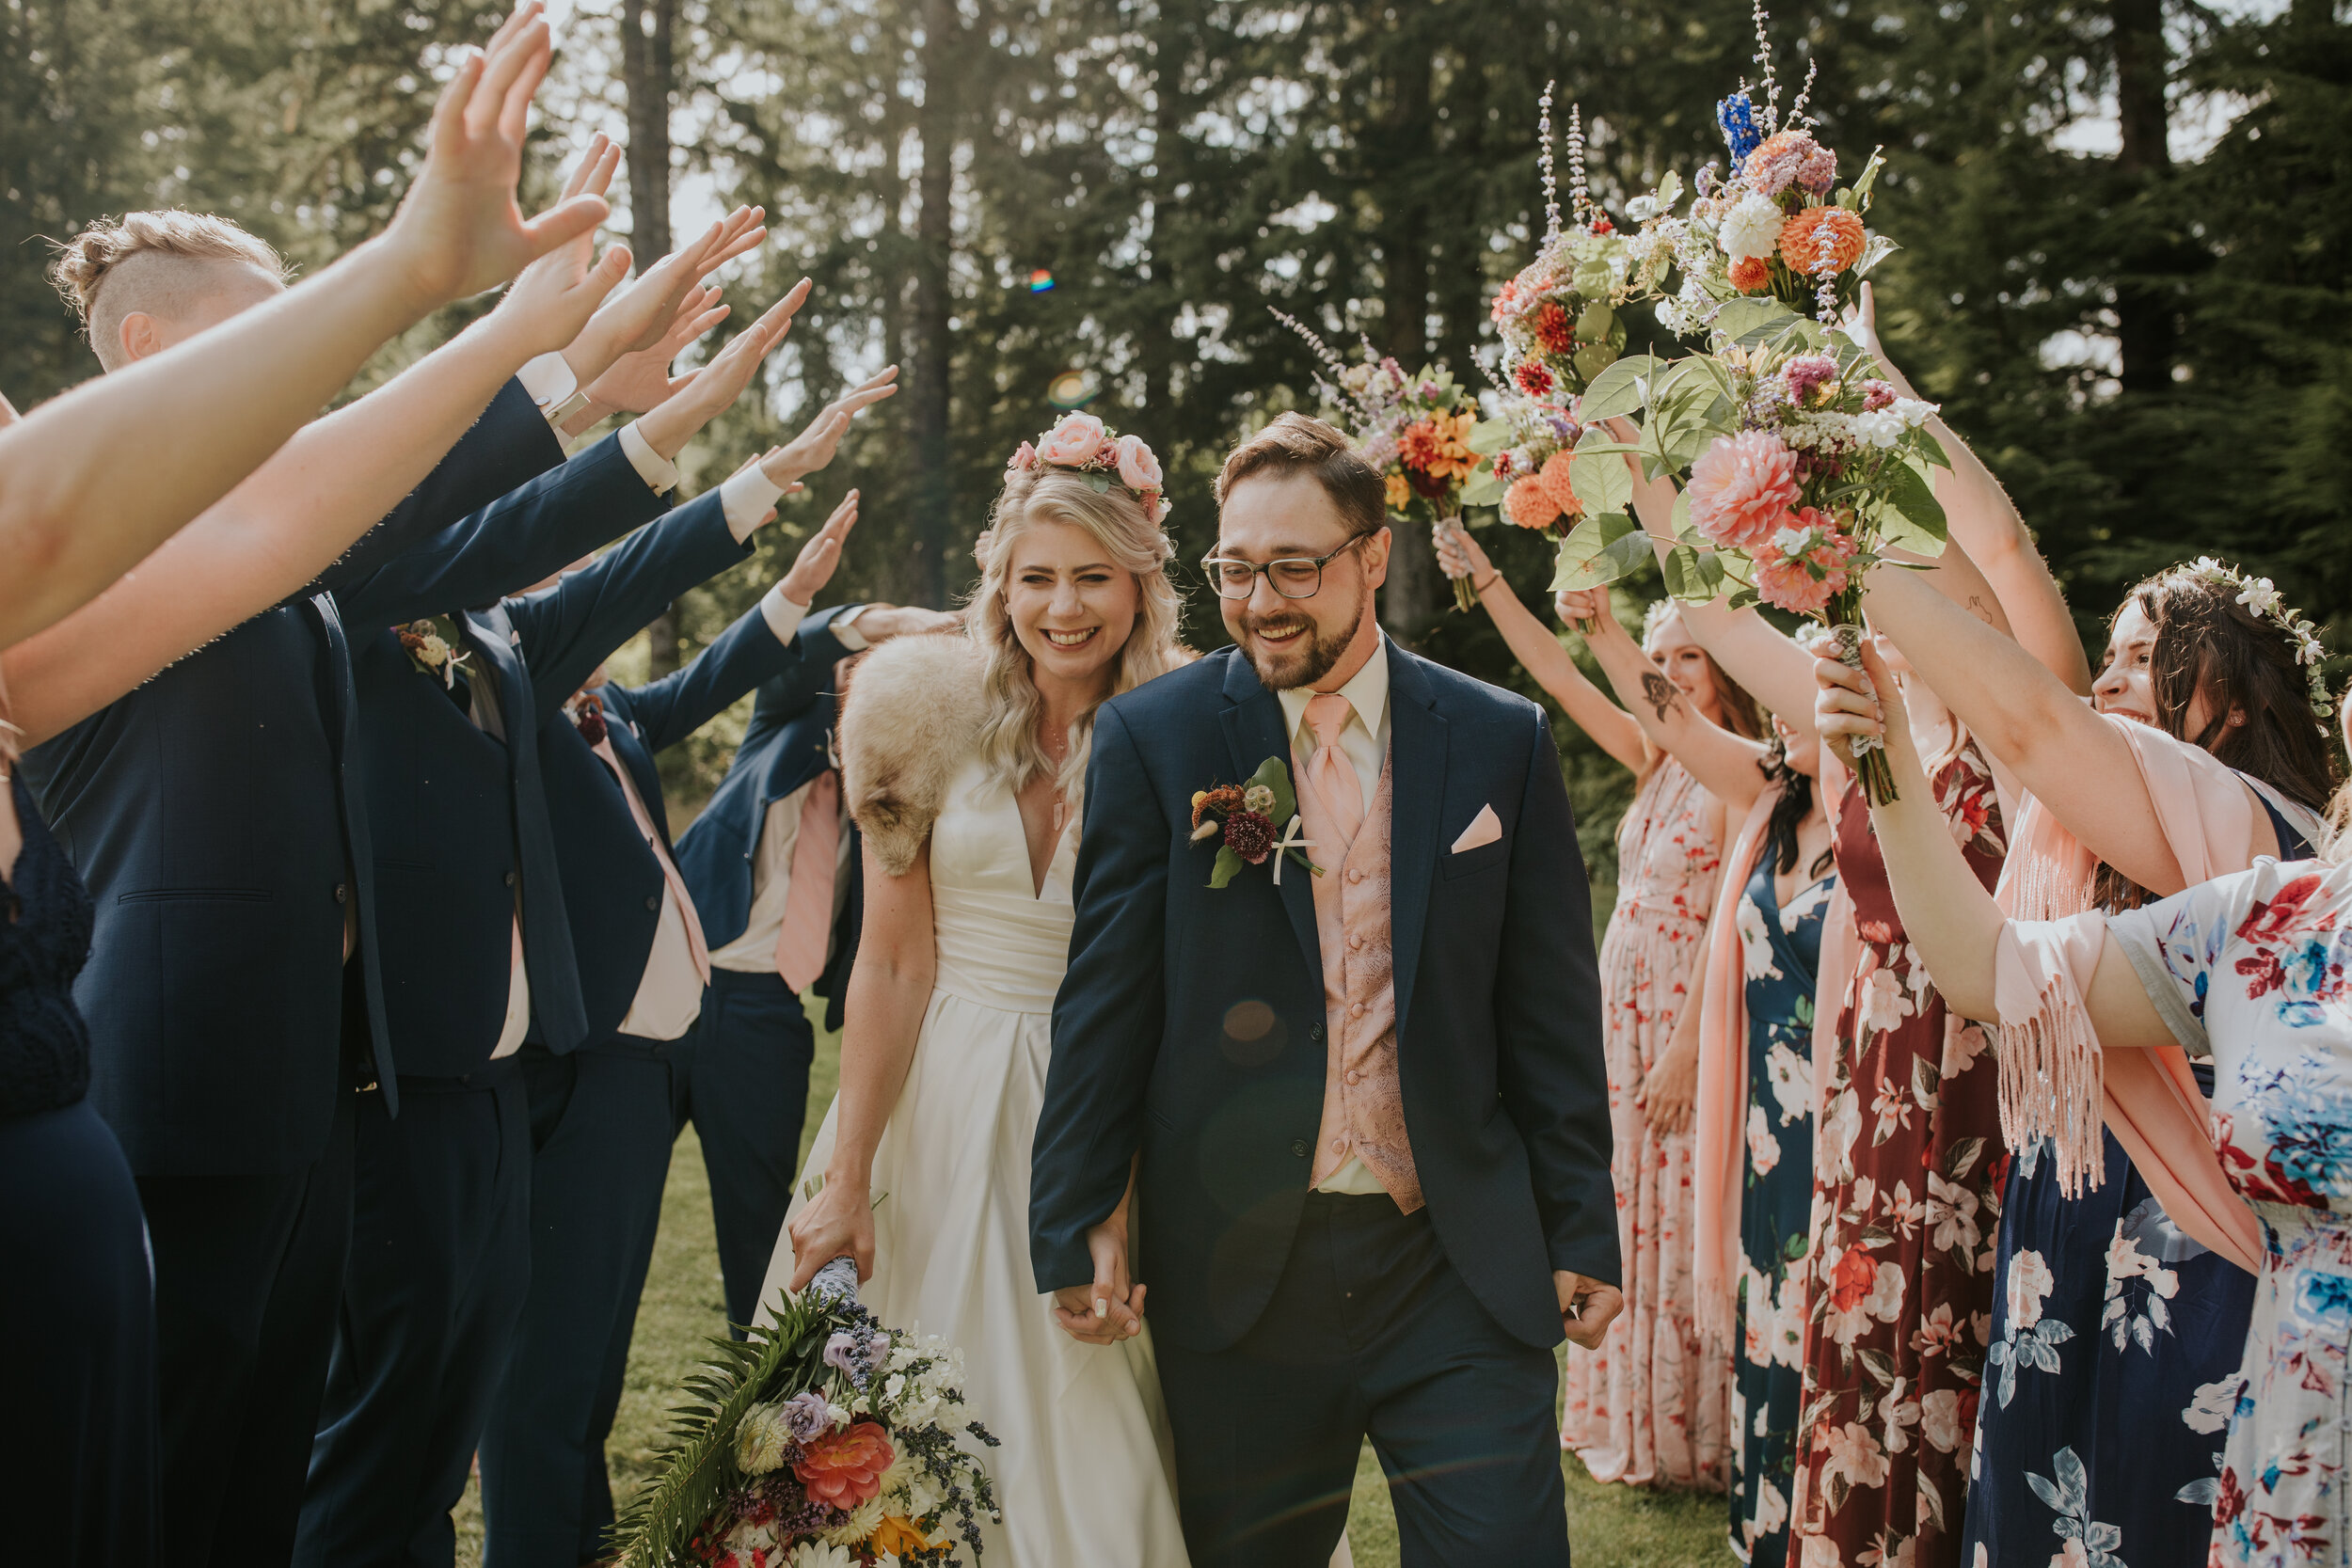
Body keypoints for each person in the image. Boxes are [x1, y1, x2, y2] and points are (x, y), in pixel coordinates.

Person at [293, 294, 844, 1565]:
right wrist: (606, 402)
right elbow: (520, 519)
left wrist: (744, 471)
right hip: (397, 1083)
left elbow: (629, 569)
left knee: (443, 1435)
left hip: (499, 1083)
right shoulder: (354, 606)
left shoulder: (503, 641)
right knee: (383, 1435)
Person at [1025, 411, 1622, 1566]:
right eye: (1237, 569)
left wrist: (1579, 1223)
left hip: (1452, 1257)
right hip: (1241, 1262)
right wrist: (1079, 1216)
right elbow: (1105, 1004)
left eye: (1294, 566)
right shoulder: (1158, 737)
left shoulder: (1501, 739)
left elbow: (1548, 1015)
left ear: (1371, 555)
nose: (1262, 601)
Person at [1820, 556, 2333, 1568]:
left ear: (2232, 694)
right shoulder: (2182, 901)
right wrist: (1880, 755)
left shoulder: (2258, 840)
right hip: (2063, 1232)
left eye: (2143, 658)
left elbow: (2031, 708)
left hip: (2187, 1263)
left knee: (2144, 1507)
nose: (2102, 681)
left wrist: (1838, 503)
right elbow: (1987, 964)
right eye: (2107, 657)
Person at [476, 372, 897, 1568]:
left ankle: (580, 1540)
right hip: (578, 1056)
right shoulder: (500, 701)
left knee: (590, 1358)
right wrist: (752, 502)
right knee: (548, 1362)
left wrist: (792, 598)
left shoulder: (605, 712)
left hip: (650, 1059)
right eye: (549, 578)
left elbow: (696, 684)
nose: (568, 592)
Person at [755, 412, 1189, 1564]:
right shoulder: (921, 711)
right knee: (902, 1423)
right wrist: (848, 1174)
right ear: (999, 580)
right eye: (1036, 576)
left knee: (1098, 1413)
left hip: (1113, 1099)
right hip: (939, 1105)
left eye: (1094, 576)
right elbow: (892, 961)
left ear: (1141, 578)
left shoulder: (1197, 726)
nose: (1064, 607)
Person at [0, 1, 606, 654]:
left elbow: (457, 534)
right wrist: (480, 315)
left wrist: (587, 376)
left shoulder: (272, 514)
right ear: (144, 341)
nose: (292, 351)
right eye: (257, 328)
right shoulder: (107, 532)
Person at [1439, 526, 1757, 1491]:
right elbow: (1556, 675)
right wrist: (1487, 580)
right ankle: (1624, 1410)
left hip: (1684, 1020)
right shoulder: (1649, 760)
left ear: (1728, 668)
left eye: (1686, 657)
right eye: (1655, 660)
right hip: (1621, 1009)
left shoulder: (1736, 769)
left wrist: (1686, 1053)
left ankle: (1689, 1431)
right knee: (1625, 1208)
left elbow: (1729, 920)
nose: (1663, 676)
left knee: (1679, 1213)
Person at [673, 594, 956, 1333]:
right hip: (670, 990)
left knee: (762, 1230)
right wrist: (885, 621)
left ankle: (759, 1402)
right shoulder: (778, 727)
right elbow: (791, 653)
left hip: (768, 1013)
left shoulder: (901, 788)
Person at [1698, 716, 1836, 1568]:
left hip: (1845, 1119)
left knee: (1826, 1321)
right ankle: (1768, 1528)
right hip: (1765, 1130)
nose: (1788, 711)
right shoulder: (1772, 808)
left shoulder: (1889, 813)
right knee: (1774, 1320)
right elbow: (1666, 718)